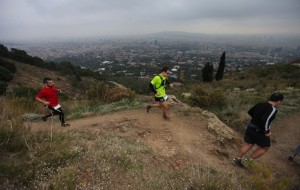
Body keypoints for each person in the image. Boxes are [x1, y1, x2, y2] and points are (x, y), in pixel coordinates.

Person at [233, 92, 284, 167]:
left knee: (248, 144)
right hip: (260, 131)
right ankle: (247, 161)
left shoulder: (260, 104)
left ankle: (237, 159)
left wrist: (255, 119)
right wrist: (267, 131)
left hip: (250, 127)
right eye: (281, 102)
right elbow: (265, 120)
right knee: (265, 147)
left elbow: (250, 112)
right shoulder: (273, 109)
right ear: (278, 101)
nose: (280, 103)